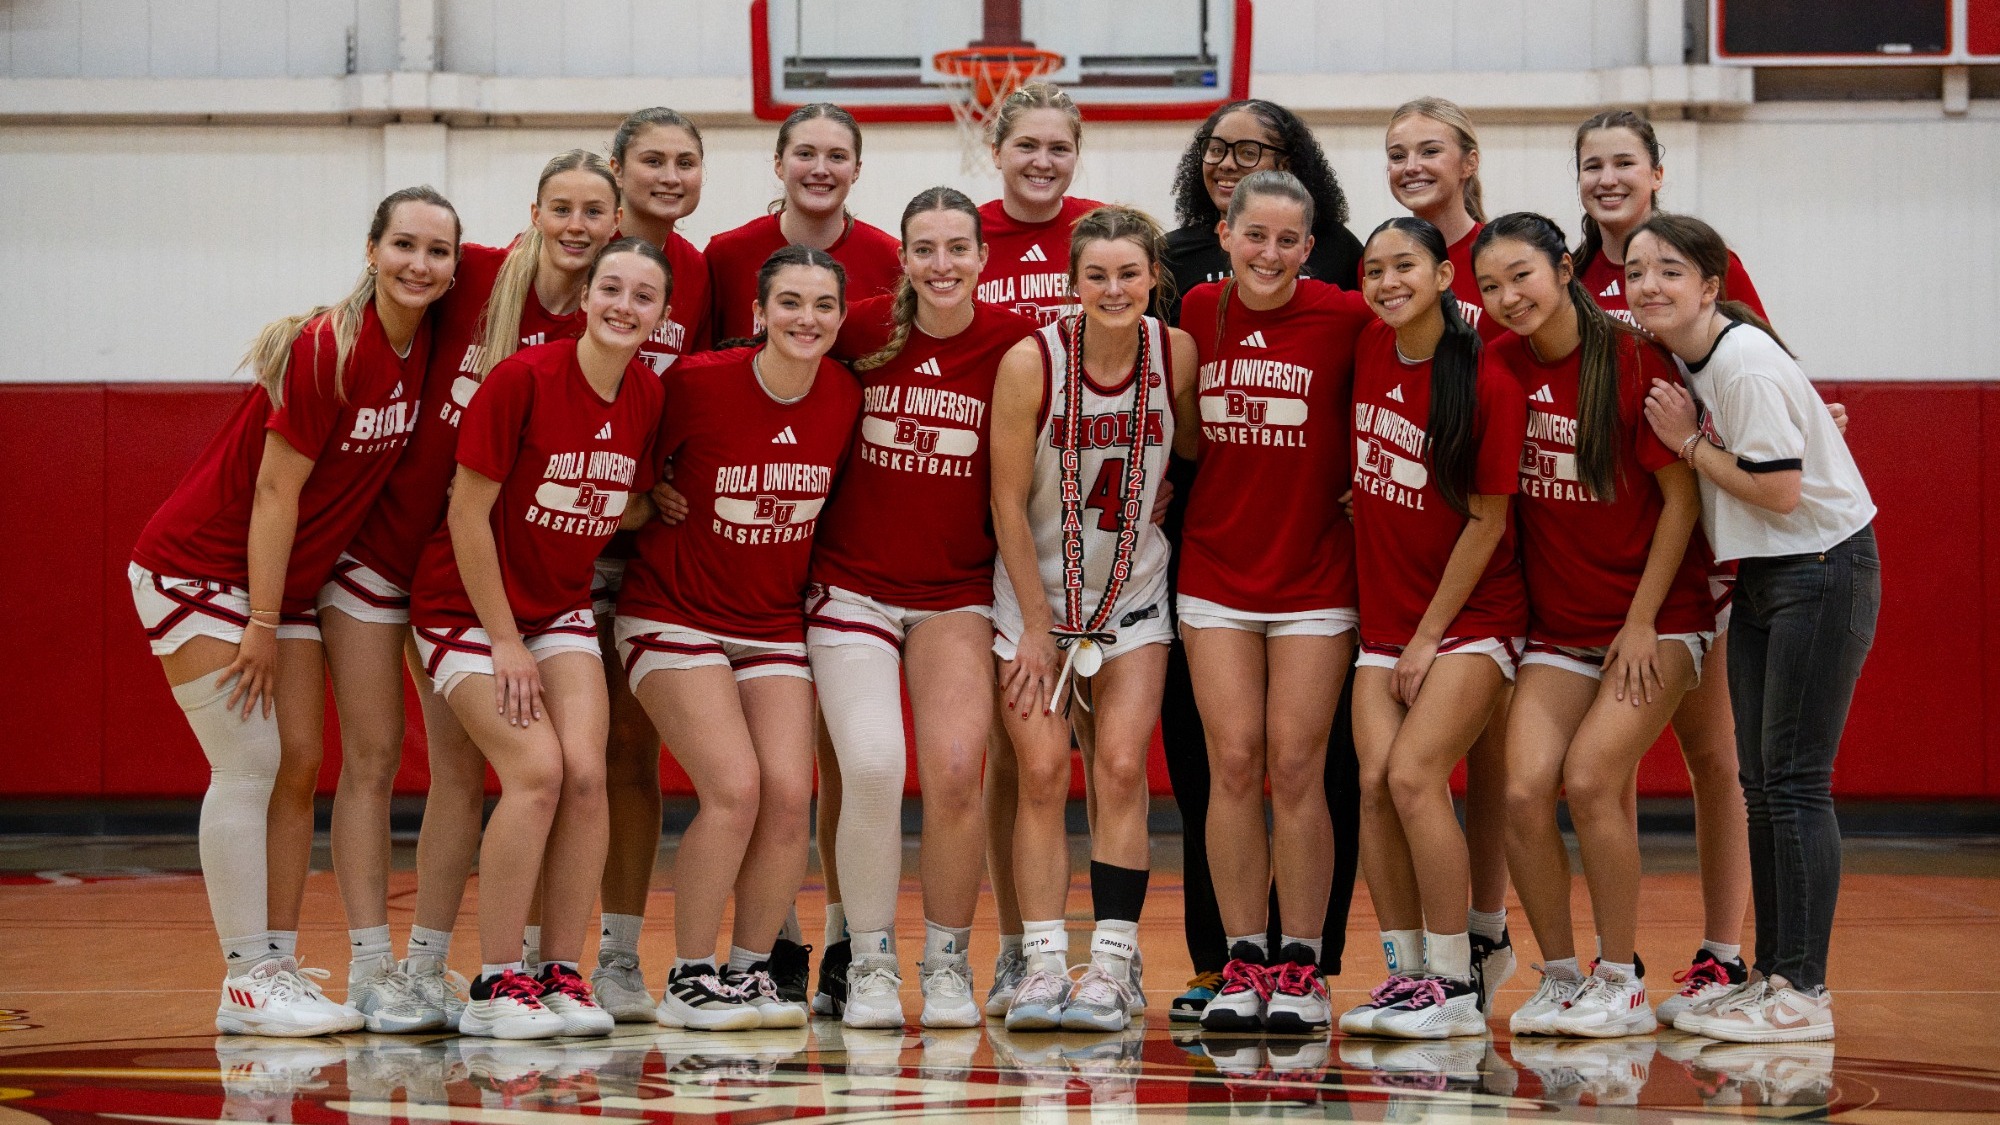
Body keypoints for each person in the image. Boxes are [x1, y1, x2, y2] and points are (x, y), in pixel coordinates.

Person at [129, 185, 459, 1035]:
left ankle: (275, 963)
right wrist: (263, 623)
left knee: (301, 760)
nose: (420, 264)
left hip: (287, 584)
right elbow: (276, 491)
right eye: (405, 246)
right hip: (202, 567)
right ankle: (244, 975)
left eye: (437, 251)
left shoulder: (417, 346)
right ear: (371, 250)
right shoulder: (328, 347)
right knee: (249, 760)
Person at [321, 151, 619, 1033]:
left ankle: (432, 966)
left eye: (592, 212)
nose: (575, 225)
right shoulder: (476, 274)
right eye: (559, 208)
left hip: (478, 572)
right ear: (534, 213)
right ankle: (372, 967)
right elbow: (379, 304)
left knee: (463, 771)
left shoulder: (600, 326)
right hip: (383, 554)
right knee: (372, 759)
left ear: (613, 226)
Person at [407, 238, 671, 1039]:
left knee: (588, 776)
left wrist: (653, 509)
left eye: (644, 296)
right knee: (536, 772)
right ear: (585, 297)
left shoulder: (646, 395)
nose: (626, 305)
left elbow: (615, 495)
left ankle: (559, 969)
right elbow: (465, 512)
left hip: (557, 608)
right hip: (466, 609)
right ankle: (495, 982)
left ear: (661, 316)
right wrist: (503, 642)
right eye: (612, 289)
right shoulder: (520, 378)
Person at [1631, 212, 1878, 1044]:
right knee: (1764, 786)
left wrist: (1689, 444)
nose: (1649, 286)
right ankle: (1770, 975)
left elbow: (1776, 490)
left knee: (1797, 783)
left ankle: (1803, 990)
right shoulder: (1698, 357)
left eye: (1670, 270)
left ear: (1710, 285)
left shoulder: (1737, 363)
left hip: (1821, 568)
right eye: (1636, 273)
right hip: (1773, 573)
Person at [1472, 212, 1714, 1038]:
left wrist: (1645, 621)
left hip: (1657, 621)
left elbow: (1681, 501)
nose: (1507, 298)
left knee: (1590, 778)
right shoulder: (1498, 360)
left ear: (1565, 268)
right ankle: (1564, 975)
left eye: (1522, 277)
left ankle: (1622, 974)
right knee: (1517, 787)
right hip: (1558, 629)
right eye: (1491, 285)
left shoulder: (1634, 358)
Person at [1159, 95, 1369, 1023]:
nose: (1272, 254)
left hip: (1315, 574)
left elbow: (1432, 372)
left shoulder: (1349, 318)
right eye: (1257, 237)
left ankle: (1304, 967)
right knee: (1232, 762)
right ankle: (1244, 960)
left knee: (1299, 764)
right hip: (1214, 571)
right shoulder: (1197, 310)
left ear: (1311, 242)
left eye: (1291, 240)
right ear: (1229, 235)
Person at [616, 246, 861, 1031]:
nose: (807, 319)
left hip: (768, 622)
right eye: (790, 302)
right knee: (735, 788)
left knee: (791, 798)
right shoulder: (694, 384)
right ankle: (688, 973)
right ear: (758, 313)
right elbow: (619, 473)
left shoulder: (844, 396)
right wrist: (646, 503)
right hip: (672, 611)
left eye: (824, 305)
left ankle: (751, 970)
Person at [809, 187, 1037, 1028]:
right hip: (852, 586)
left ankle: (947, 962)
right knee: (870, 767)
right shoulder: (860, 329)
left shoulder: (1017, 343)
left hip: (956, 593)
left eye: (957, 248)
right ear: (902, 257)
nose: (942, 264)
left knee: (951, 770)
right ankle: (867, 963)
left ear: (983, 257)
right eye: (925, 248)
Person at [989, 205, 1198, 1033]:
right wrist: (1036, 626)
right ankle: (1041, 961)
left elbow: (1196, 454)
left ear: (1154, 277)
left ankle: (1113, 961)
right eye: (1097, 275)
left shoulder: (1174, 353)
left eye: (1130, 273)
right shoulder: (1029, 362)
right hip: (1035, 599)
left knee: (1118, 770)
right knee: (1040, 775)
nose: (1114, 288)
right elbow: (1005, 497)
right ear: (1073, 282)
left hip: (1134, 596)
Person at [1338, 217, 1527, 1040]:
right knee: (1374, 785)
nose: (1386, 281)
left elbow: (1487, 524)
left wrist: (1426, 638)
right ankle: (1407, 971)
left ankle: (1456, 980)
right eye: (1373, 269)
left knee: (1416, 776)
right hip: (1383, 616)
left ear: (1446, 275)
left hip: (1471, 620)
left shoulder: (1484, 375)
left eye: (1404, 265)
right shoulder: (1370, 351)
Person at [969, 79, 1103, 1018]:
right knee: (1018, 757)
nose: (1043, 160)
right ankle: (1022, 949)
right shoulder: (963, 236)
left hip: (1100, 524)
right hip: (992, 517)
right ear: (997, 147)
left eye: (1059, 146)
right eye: (1028, 146)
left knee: (1108, 755)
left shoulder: (1105, 233)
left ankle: (1106, 955)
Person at [1382, 97, 1519, 1009]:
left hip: (1513, 520)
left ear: (1469, 159)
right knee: (1415, 769)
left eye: (1429, 150)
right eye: (1397, 152)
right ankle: (1454, 948)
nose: (1412, 164)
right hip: (1416, 539)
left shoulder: (1508, 255)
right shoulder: (1387, 261)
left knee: (1501, 757)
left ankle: (1489, 930)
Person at [590, 106, 710, 1021]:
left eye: (685, 162)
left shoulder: (699, 271)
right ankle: (517, 955)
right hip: (548, 539)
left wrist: (652, 488)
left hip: (641, 546)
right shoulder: (565, 250)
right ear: (618, 167)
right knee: (549, 764)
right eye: (653, 160)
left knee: (632, 755)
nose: (669, 175)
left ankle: (619, 954)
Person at [707, 102, 900, 343]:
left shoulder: (892, 260)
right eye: (805, 154)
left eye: (837, 156)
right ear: (779, 164)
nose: (820, 169)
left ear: (856, 170)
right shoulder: (726, 255)